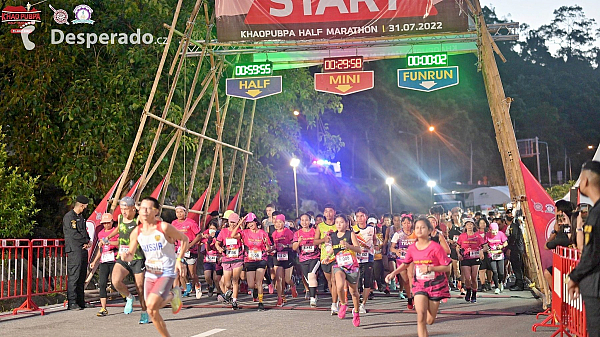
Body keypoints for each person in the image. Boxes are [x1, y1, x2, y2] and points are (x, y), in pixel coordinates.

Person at [121, 197, 189, 337]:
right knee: (151, 310)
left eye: (148, 208)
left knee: (151, 304)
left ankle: (172, 294)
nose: (144, 211)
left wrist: (179, 259)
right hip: (151, 272)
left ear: (156, 211)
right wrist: (125, 255)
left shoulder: (163, 227)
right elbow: (131, 254)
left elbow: (184, 239)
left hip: (167, 271)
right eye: (142, 208)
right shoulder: (137, 232)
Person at [386, 217, 451, 337]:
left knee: (429, 320)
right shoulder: (412, 248)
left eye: (422, 227)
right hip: (419, 285)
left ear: (429, 230)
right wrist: (393, 273)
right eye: (417, 228)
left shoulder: (435, 247)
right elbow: (405, 264)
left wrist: (430, 268)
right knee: (420, 317)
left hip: (436, 285)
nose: (419, 230)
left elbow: (447, 267)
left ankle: (428, 308)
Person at [102, 196, 148, 323]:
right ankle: (129, 297)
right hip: (122, 256)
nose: (123, 212)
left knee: (140, 287)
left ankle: (144, 312)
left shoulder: (138, 219)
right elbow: (118, 228)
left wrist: (139, 209)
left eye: (126, 209)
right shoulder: (120, 217)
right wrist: (108, 237)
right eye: (122, 209)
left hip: (136, 257)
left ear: (133, 208)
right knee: (115, 281)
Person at [568, 160, 600, 336]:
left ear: (586, 180)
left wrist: (575, 276)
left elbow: (593, 252)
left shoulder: (597, 213)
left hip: (596, 287)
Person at [326, 214, 362, 327]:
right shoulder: (333, 236)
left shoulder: (350, 234)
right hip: (339, 264)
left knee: (354, 292)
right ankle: (343, 304)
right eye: (337, 222)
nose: (339, 225)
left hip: (351, 265)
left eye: (341, 222)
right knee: (339, 286)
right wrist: (327, 257)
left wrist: (348, 246)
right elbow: (333, 248)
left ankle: (356, 312)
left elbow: (359, 249)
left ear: (346, 223)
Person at [62, 195, 90, 310]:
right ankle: (72, 302)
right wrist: (85, 241)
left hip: (82, 249)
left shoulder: (81, 217)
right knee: (74, 276)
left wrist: (87, 241)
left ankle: (80, 301)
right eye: (85, 207)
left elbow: (84, 232)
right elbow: (73, 234)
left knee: (81, 276)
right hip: (74, 250)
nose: (85, 209)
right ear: (81, 205)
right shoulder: (69, 217)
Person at [240, 212, 271, 311]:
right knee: (250, 284)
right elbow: (233, 235)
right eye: (248, 222)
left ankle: (261, 302)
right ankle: (255, 291)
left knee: (259, 282)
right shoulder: (245, 232)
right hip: (249, 260)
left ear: (255, 221)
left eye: (251, 222)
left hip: (261, 259)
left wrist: (266, 245)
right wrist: (240, 223)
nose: (250, 224)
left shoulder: (262, 233)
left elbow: (268, 248)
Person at [90, 213, 119, 316]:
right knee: (102, 284)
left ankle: (127, 295)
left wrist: (109, 242)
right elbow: (100, 249)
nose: (106, 225)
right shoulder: (101, 233)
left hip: (114, 259)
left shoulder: (115, 231)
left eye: (108, 223)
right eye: (104, 223)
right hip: (104, 260)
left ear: (112, 222)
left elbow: (120, 243)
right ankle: (103, 308)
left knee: (115, 282)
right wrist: (94, 261)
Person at [313, 203, 339, 315]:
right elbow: (315, 241)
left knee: (334, 280)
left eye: (330, 211)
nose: (328, 213)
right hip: (325, 257)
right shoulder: (320, 226)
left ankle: (334, 303)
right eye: (326, 211)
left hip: (337, 256)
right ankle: (335, 298)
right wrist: (324, 239)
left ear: (334, 212)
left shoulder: (338, 224)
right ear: (324, 213)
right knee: (330, 281)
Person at [171, 204, 202, 298]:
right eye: (177, 212)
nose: (179, 214)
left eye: (181, 212)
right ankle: (187, 285)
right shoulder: (174, 223)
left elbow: (199, 235)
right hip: (179, 251)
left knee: (192, 273)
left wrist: (190, 245)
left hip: (191, 251)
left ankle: (197, 285)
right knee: (180, 272)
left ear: (186, 212)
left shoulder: (191, 223)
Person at [215, 212, 244, 310]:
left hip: (237, 258)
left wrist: (240, 225)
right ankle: (229, 293)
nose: (232, 224)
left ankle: (234, 300)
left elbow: (235, 235)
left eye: (234, 222)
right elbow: (217, 243)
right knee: (227, 283)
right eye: (231, 222)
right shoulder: (223, 231)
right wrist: (219, 248)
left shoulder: (240, 232)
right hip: (226, 259)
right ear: (228, 221)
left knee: (235, 280)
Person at [292, 213, 320, 307]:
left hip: (315, 257)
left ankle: (312, 298)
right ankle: (314, 294)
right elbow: (294, 247)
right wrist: (299, 241)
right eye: (302, 220)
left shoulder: (315, 231)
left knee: (311, 276)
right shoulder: (297, 233)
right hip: (303, 259)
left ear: (310, 221)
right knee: (308, 279)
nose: (304, 222)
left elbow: (320, 243)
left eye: (306, 220)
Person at [391, 214, 417, 309]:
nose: (407, 225)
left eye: (408, 223)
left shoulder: (415, 233)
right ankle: (409, 298)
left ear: (412, 223)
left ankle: (414, 297)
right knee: (405, 280)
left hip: (412, 259)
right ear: (402, 224)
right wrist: (396, 251)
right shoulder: (398, 234)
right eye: (405, 223)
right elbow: (392, 247)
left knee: (411, 276)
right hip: (401, 259)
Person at [353, 207, 376, 313]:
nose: (360, 218)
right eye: (357, 216)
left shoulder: (371, 229)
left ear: (366, 217)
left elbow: (374, 241)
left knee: (367, 281)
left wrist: (372, 247)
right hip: (356, 259)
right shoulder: (353, 229)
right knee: (356, 283)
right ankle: (356, 303)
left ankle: (363, 304)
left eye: (362, 216)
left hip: (368, 258)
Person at [457, 218, 485, 303]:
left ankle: (474, 294)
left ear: (473, 225)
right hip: (465, 258)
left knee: (474, 277)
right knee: (467, 278)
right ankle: (468, 291)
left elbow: (484, 246)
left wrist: (481, 252)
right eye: (467, 224)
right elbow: (458, 247)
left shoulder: (477, 236)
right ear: (465, 226)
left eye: (471, 224)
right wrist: (458, 254)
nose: (469, 226)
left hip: (475, 258)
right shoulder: (462, 236)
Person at [272, 213, 297, 306]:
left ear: (284, 222)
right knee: (278, 279)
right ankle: (280, 297)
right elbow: (274, 246)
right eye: (276, 222)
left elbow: (293, 244)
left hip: (288, 255)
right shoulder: (274, 234)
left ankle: (292, 285)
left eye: (280, 222)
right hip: (278, 256)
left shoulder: (288, 232)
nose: (278, 224)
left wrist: (285, 246)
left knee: (287, 279)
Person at [201, 220, 223, 299]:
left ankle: (218, 292)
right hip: (208, 259)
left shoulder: (219, 236)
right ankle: (210, 285)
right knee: (207, 276)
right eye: (210, 228)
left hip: (216, 259)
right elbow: (207, 248)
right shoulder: (206, 237)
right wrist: (208, 240)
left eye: (214, 228)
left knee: (216, 278)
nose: (212, 230)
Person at [505, 209, 525, 291]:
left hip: (516, 249)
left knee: (517, 267)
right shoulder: (514, 226)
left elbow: (513, 238)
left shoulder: (513, 226)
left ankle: (520, 284)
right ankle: (517, 282)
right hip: (517, 248)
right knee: (515, 266)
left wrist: (509, 248)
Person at [486, 222, 508, 293]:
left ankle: (500, 282)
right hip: (492, 255)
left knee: (501, 272)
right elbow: (485, 244)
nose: (494, 232)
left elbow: (506, 242)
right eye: (493, 231)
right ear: (490, 230)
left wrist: (501, 246)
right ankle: (496, 287)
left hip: (500, 255)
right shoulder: (487, 235)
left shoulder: (501, 234)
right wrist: (487, 249)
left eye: (496, 231)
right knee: (494, 271)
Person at [476, 218, 493, 292]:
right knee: (482, 269)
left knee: (489, 269)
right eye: (481, 223)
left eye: (484, 223)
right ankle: (483, 285)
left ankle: (489, 282)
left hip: (490, 253)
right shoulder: (476, 234)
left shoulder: (489, 232)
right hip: (480, 253)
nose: (482, 224)